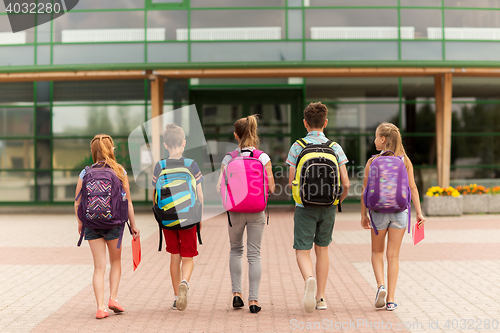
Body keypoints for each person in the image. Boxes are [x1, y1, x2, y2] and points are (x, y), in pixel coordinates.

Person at [287, 102, 350, 312]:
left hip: (304, 205)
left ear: (305, 123)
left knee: (302, 250)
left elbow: (291, 182)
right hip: (329, 205)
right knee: (322, 250)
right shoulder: (335, 147)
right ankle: (321, 298)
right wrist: (337, 201)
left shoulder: (298, 146)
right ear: (326, 123)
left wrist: (299, 198)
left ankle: (309, 279)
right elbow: (346, 183)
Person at [360, 122, 425, 311]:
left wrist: (364, 214)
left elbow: (365, 190)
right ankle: (391, 299)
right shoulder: (405, 161)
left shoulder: (372, 161)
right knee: (393, 256)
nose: (374, 140)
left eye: (375, 136)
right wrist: (419, 212)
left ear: (383, 139)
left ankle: (381, 285)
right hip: (399, 213)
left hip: (378, 213)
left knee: (377, 252)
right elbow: (413, 188)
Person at [74, 134, 140, 319]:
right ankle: (113, 298)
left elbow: (77, 203)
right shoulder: (119, 171)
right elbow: (128, 202)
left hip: (92, 224)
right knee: (116, 262)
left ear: (93, 152)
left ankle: (101, 307)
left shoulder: (85, 172)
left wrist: (81, 223)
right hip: (114, 223)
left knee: (99, 267)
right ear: (111, 149)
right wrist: (133, 226)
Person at [217, 115, 275, 313]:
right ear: (254, 133)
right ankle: (254, 301)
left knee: (235, 250)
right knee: (254, 254)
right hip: (257, 210)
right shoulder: (263, 157)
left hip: (235, 211)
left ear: (236, 135)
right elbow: (272, 187)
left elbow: (220, 186)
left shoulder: (228, 158)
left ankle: (236, 294)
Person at [152, 124, 204, 311]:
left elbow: (155, 195)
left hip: (167, 219)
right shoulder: (191, 164)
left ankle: (176, 297)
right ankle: (185, 282)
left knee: (175, 256)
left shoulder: (160, 166)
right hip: (188, 218)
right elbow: (199, 195)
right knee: (188, 257)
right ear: (184, 143)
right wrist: (198, 218)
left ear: (166, 144)